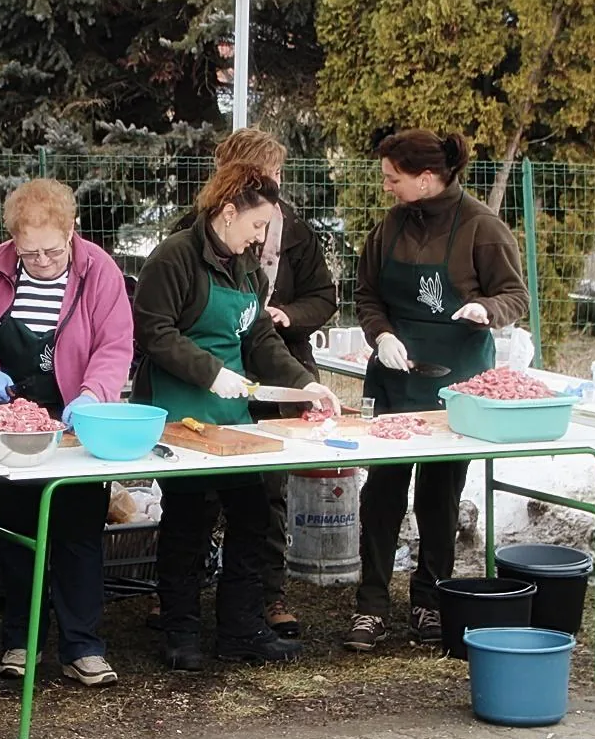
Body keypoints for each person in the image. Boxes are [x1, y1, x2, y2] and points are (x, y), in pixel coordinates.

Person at [132, 163, 338, 670]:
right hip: (181, 414)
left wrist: (302, 384)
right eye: (257, 225)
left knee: (251, 516)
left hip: (234, 415)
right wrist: (210, 372)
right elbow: (154, 332)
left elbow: (259, 337)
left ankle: (241, 628)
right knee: (189, 519)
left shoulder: (245, 268)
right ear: (228, 213)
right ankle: (181, 632)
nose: (262, 236)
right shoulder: (174, 257)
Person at [347, 128, 528, 652]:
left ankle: (429, 600)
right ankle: (371, 605)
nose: (387, 187)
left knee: (440, 494)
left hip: (458, 382)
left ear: (426, 179)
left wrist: (486, 310)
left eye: (393, 178)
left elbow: (516, 295)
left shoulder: (482, 228)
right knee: (382, 491)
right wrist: (380, 334)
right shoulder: (391, 226)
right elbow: (367, 293)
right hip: (394, 376)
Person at [0, 179, 133, 687]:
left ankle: (83, 646)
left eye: (53, 250)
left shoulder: (99, 270)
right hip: (8, 423)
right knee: (17, 535)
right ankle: (20, 640)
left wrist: (94, 393)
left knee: (78, 533)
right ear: (12, 241)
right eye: (30, 253)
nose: (43, 261)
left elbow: (116, 344)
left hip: (74, 423)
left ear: (72, 231)